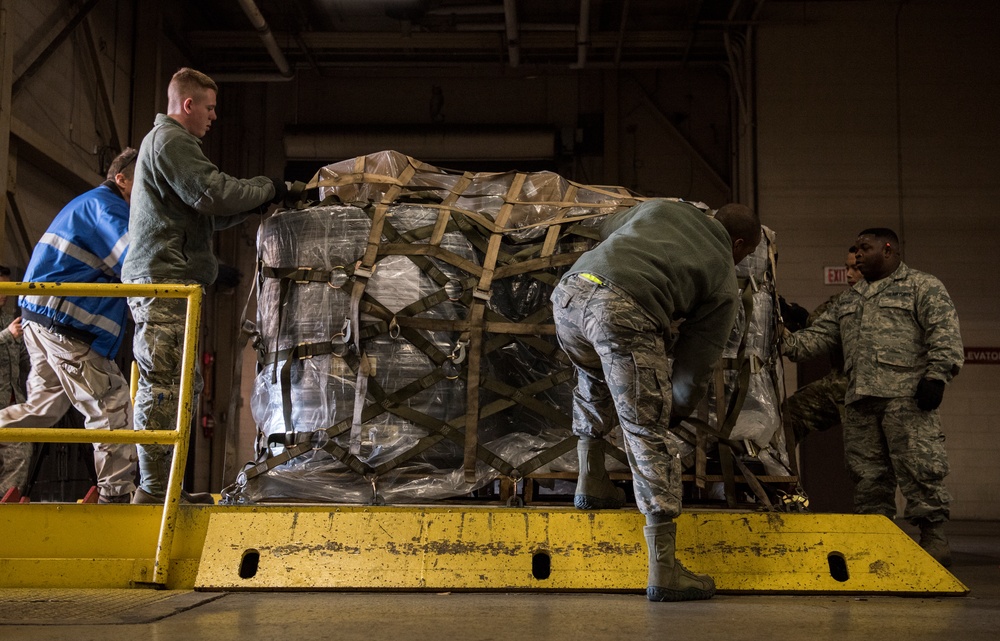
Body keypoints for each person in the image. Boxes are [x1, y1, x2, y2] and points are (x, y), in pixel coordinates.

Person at [551, 198, 761, 602]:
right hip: (624, 308)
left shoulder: (664, 209)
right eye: (745, 256)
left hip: (571, 293)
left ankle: (591, 480)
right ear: (737, 244)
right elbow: (694, 363)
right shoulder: (722, 277)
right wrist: (673, 410)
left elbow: (606, 224)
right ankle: (664, 572)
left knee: (593, 376)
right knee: (646, 430)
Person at [122, 67, 286, 505]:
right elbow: (211, 192)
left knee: (182, 386)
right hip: (163, 282)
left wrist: (260, 201)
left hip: (174, 282)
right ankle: (154, 492)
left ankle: (165, 490)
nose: (214, 117)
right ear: (188, 105)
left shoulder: (173, 146)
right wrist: (267, 186)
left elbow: (208, 213)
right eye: (210, 108)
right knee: (165, 386)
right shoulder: (172, 141)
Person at [782, 228, 962, 566]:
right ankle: (877, 538)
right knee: (868, 476)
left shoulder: (922, 286)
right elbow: (815, 339)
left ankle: (933, 537)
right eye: (857, 249)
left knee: (919, 468)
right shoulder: (849, 300)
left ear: (889, 249)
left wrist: (937, 376)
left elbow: (945, 334)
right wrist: (779, 336)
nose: (858, 255)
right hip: (861, 401)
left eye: (865, 248)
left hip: (905, 399)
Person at [0, 150, 140, 503]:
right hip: (66, 326)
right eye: (145, 181)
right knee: (111, 403)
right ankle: (117, 496)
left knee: (43, 409)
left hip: (41, 322)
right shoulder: (108, 208)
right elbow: (135, 263)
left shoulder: (86, 205)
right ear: (121, 179)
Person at [781, 246, 862, 444]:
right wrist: (790, 314)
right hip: (841, 384)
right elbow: (817, 325)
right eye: (847, 268)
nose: (849, 274)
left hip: (872, 390)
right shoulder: (843, 301)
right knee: (789, 416)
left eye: (856, 268)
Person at [0, 265, 31, 496]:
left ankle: (6, 503)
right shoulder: (6, 328)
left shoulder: (6, 319)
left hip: (9, 402)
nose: (5, 294)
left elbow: (21, 359)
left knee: (19, 452)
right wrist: (6, 336)